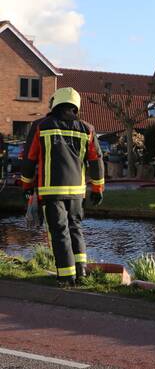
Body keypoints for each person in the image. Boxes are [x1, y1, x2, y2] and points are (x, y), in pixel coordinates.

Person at [19, 87, 104, 286]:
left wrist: (26, 185)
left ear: (55, 103)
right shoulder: (88, 129)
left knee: (59, 233)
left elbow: (29, 159)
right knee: (75, 229)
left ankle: (66, 277)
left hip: (51, 191)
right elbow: (96, 161)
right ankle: (81, 273)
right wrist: (98, 189)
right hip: (77, 192)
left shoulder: (41, 126)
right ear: (76, 105)